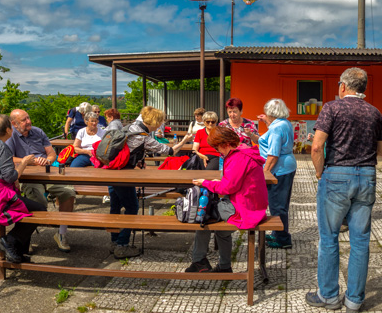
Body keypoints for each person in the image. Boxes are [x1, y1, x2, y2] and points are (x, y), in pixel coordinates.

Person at [306, 67, 382, 312]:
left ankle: (329, 296)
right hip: (366, 175)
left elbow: (316, 147)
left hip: (337, 174)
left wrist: (320, 173)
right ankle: (354, 300)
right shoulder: (374, 112)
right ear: (363, 89)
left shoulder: (332, 108)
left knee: (329, 237)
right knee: (361, 241)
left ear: (342, 86)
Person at [109, 106, 192, 259]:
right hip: (122, 175)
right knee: (132, 208)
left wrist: (137, 160)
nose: (161, 123)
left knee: (115, 207)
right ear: (154, 122)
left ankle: (114, 242)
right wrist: (185, 141)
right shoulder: (143, 136)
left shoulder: (131, 127)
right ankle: (122, 246)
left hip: (110, 170)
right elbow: (169, 151)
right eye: (160, 121)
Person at [187, 128, 269, 273]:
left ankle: (199, 261)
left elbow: (227, 188)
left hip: (245, 208)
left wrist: (206, 182)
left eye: (217, 147)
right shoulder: (243, 151)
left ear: (224, 144)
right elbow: (233, 182)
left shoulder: (238, 157)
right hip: (253, 204)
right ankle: (223, 266)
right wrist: (217, 182)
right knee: (221, 230)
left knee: (204, 214)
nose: (218, 152)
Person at [0, 114, 44, 263]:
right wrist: (24, 162)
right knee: (40, 209)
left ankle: (18, 251)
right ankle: (9, 241)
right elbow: (10, 177)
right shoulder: (1, 147)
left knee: (27, 208)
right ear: (8, 130)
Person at [6, 109, 76, 252]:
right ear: (14, 123)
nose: (29, 122)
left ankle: (61, 234)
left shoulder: (38, 132)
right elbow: (9, 159)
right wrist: (28, 161)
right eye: (24, 120)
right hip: (28, 177)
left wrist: (47, 160)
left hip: (47, 173)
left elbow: (52, 154)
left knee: (69, 193)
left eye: (28, 118)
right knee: (38, 203)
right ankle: (25, 237)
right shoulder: (10, 136)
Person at [257, 99, 297, 249]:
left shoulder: (276, 129)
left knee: (277, 205)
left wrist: (264, 174)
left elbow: (273, 155)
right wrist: (267, 122)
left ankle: (282, 238)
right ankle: (279, 232)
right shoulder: (284, 123)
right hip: (288, 165)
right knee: (282, 204)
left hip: (278, 169)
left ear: (270, 112)